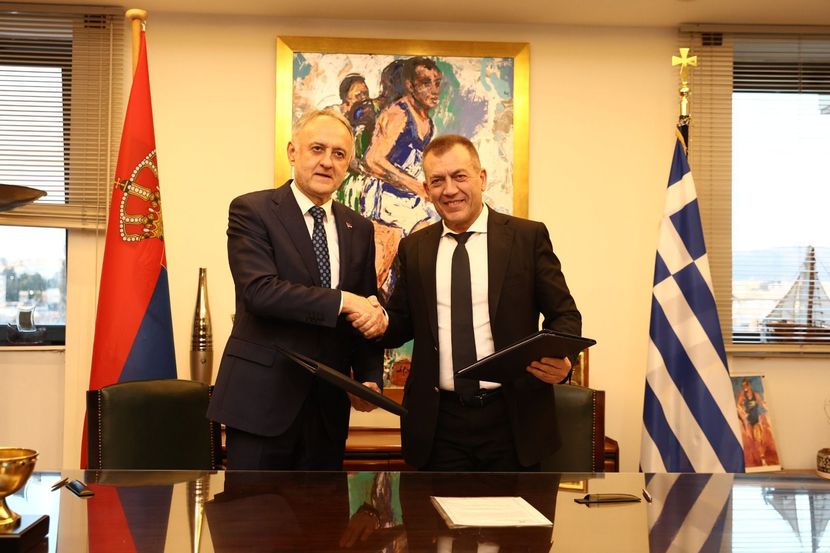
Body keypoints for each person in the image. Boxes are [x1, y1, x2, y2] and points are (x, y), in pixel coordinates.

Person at [358, 134, 582, 471]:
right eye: (437, 181)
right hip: (439, 426)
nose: (449, 190)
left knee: (518, 510)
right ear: (427, 188)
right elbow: (402, 322)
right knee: (434, 510)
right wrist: (378, 319)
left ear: (482, 178)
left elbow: (564, 315)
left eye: (459, 176)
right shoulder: (415, 248)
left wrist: (562, 362)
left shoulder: (527, 237)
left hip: (514, 421)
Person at [208, 109, 387, 471]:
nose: (327, 162)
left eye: (339, 154)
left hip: (327, 412)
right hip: (261, 405)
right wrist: (344, 301)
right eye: (317, 149)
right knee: (252, 507)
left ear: (348, 164)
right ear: (293, 152)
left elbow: (365, 305)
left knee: (322, 509)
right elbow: (260, 291)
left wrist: (369, 378)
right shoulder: (253, 210)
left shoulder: (359, 228)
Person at [360, 57, 443, 296]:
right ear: (410, 85)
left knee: (423, 261)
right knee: (377, 275)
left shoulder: (428, 122)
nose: (434, 90)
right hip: (384, 201)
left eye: (437, 83)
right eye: (426, 83)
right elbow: (372, 160)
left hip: (409, 201)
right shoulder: (398, 113)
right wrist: (415, 186)